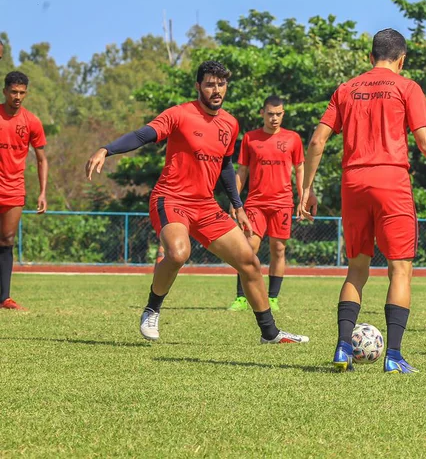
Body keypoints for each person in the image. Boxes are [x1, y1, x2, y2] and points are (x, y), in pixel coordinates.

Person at [85, 60, 308, 345]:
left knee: (249, 262)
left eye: (221, 84)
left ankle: (270, 333)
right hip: (171, 198)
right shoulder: (179, 114)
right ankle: (153, 308)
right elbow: (143, 135)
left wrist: (238, 206)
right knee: (178, 253)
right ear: (198, 86)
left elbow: (227, 167)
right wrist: (107, 149)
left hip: (205, 206)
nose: (216, 90)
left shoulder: (230, 123)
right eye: (210, 84)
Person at [298, 28, 426, 374]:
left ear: (370, 57)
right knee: (400, 269)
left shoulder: (346, 89)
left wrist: (306, 189)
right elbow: (425, 143)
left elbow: (317, 141)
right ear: (402, 58)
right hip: (391, 181)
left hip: (354, 182)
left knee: (357, 269)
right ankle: (393, 355)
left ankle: (343, 348)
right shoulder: (408, 87)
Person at [227, 95, 305, 313]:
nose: (274, 118)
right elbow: (242, 171)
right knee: (248, 248)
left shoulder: (293, 139)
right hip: (256, 203)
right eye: (270, 114)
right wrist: (235, 200)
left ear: (283, 114)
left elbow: (300, 168)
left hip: (282, 203)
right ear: (262, 113)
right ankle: (241, 297)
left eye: (278, 114)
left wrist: (303, 196)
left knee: (278, 249)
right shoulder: (250, 138)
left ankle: (272, 298)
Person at [0, 67, 48, 311]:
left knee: (7, 239)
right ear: (5, 91)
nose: (17, 97)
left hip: (14, 189)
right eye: (13, 92)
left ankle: (4, 298)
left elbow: (42, 159)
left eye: (22, 93)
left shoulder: (31, 121)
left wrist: (42, 192)